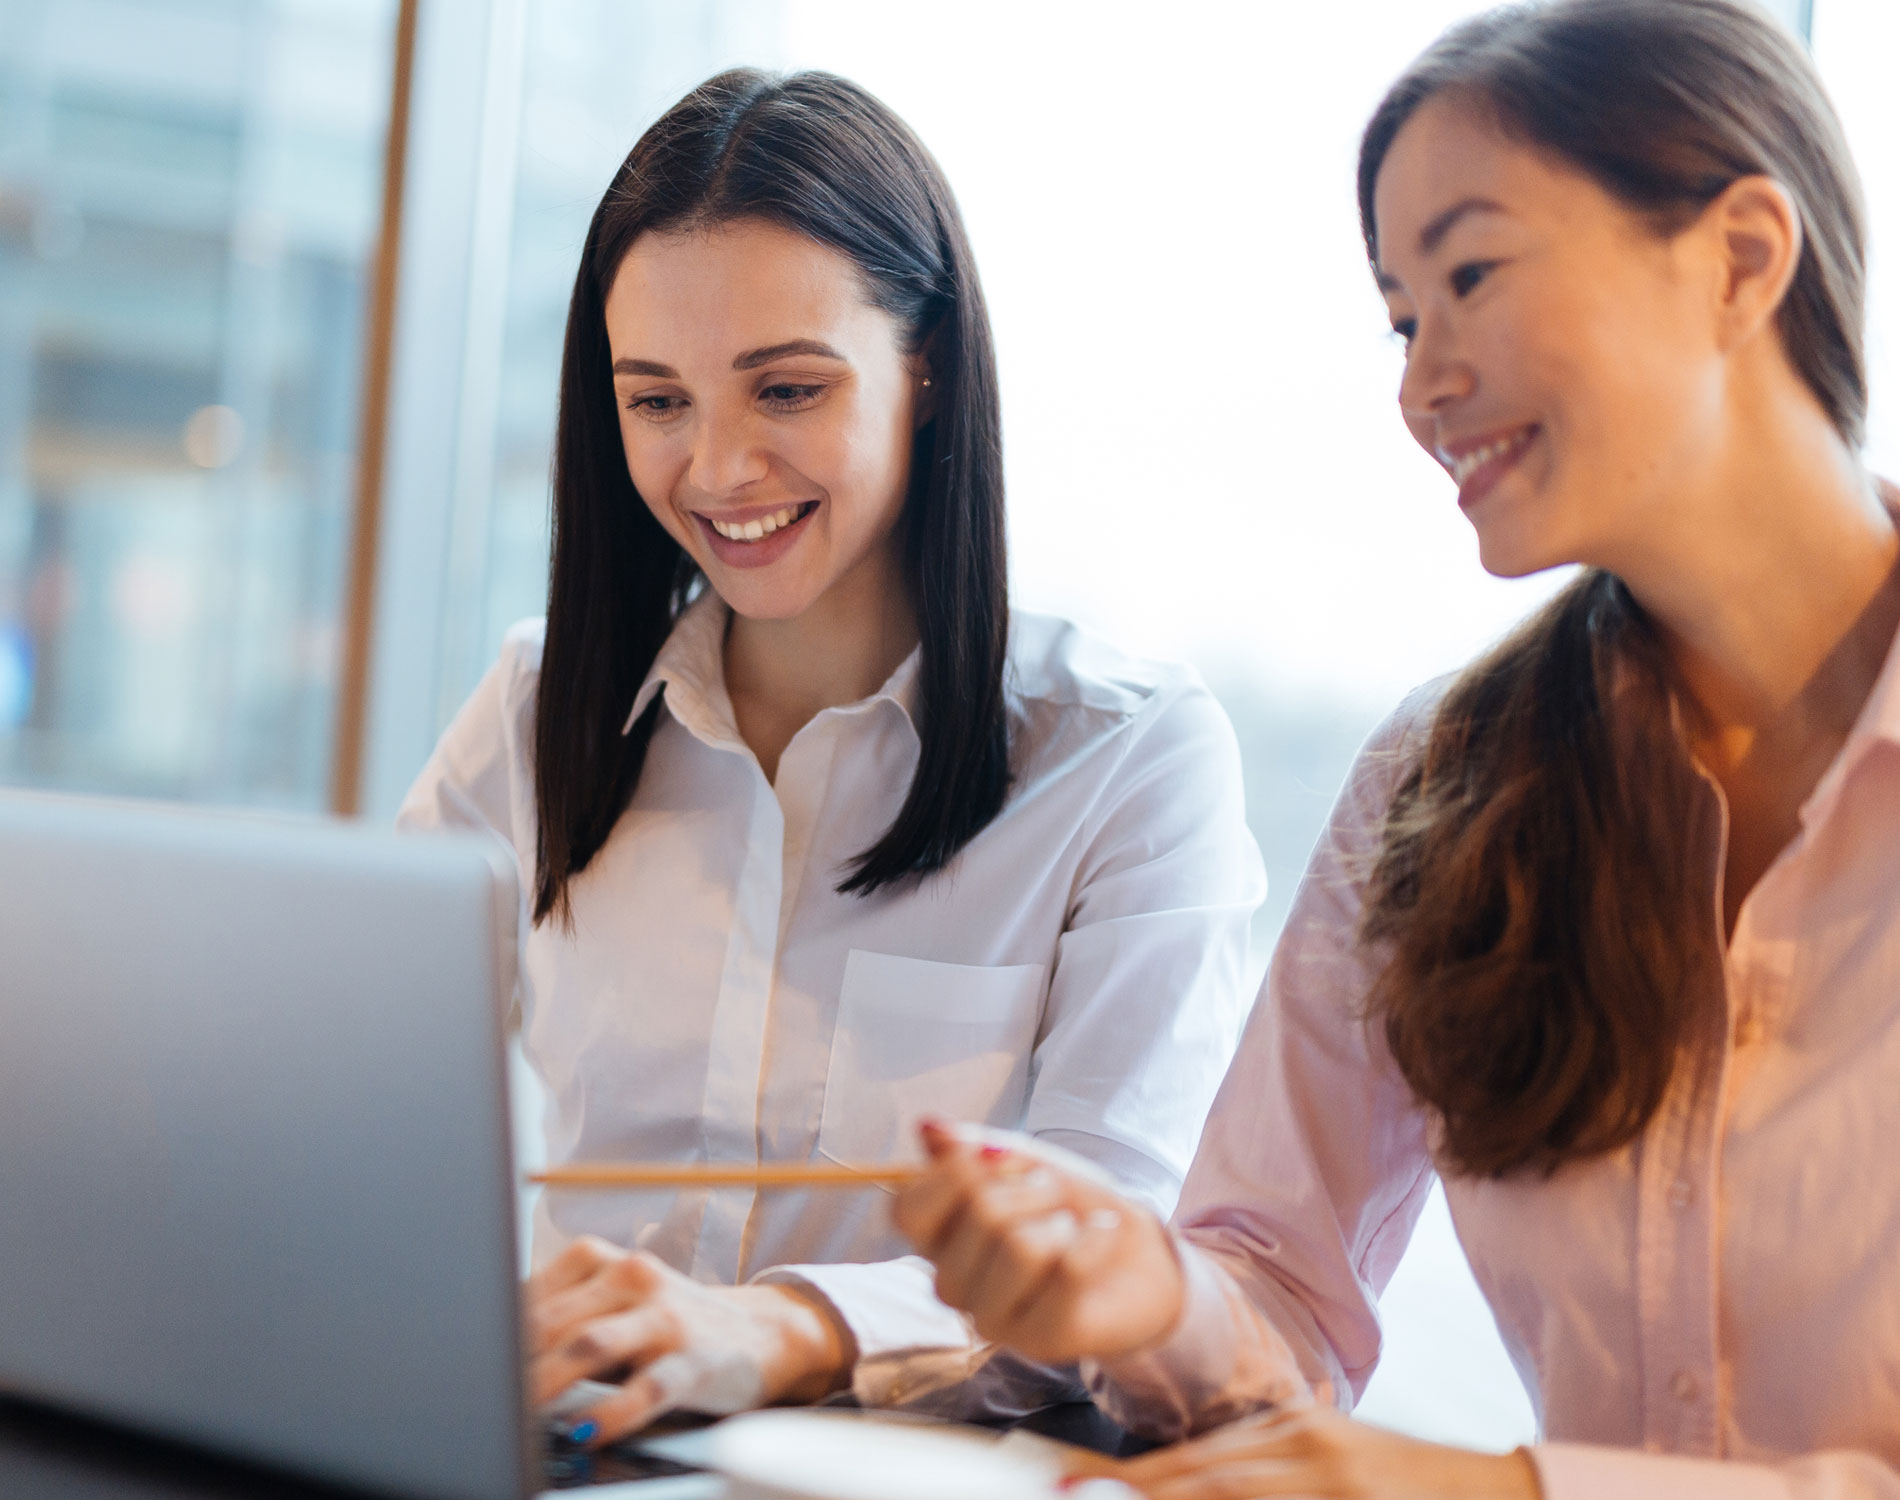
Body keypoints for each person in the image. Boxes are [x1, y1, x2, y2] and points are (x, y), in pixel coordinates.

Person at [893, 1, 1900, 1495]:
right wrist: (1142, 1293)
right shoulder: (1443, 779)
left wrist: (1501, 1490)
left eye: (1471, 275)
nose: (1421, 387)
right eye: (1402, 317)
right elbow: (1279, 1292)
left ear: (1743, 257)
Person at [398, 68, 1264, 1446]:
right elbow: (358, 1110)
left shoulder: (1125, 761)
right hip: (580, 1459)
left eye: (787, 388)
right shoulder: (537, 704)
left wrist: (781, 1328)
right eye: (657, 402)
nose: (720, 468)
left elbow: (1125, 1265)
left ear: (928, 370)